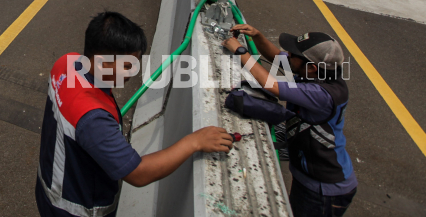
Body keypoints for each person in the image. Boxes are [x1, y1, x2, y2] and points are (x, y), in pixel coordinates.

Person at [36, 12, 233, 217]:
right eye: (127, 66)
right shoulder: (94, 119)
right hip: (74, 209)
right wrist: (194, 141)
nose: (133, 73)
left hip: (49, 188)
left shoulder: (67, 63)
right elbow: (138, 174)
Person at [222, 26, 357, 217]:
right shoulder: (316, 73)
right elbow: (276, 56)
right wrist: (258, 35)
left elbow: (272, 84)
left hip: (324, 189)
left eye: (293, 54)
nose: (287, 55)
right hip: (309, 176)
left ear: (311, 67)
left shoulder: (323, 95)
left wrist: (240, 51)